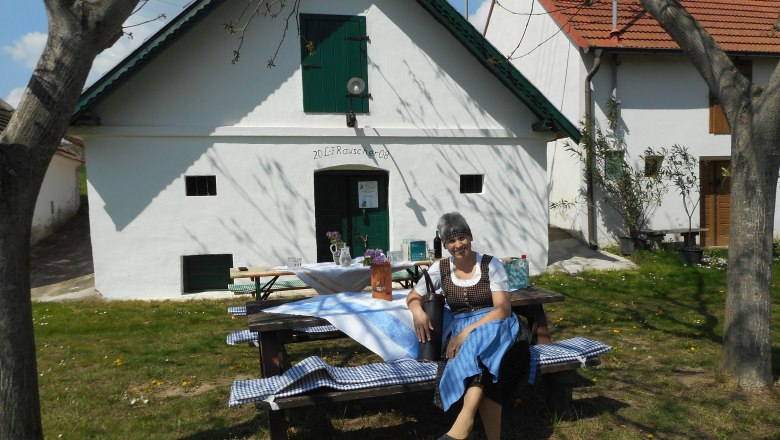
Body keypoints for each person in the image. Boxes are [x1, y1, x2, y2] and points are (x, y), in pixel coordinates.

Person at [406, 212, 521, 440]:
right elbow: (413, 295)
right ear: (445, 245)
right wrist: (417, 311)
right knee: (485, 365)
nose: (458, 245)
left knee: (479, 347)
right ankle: (478, 432)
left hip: (496, 325)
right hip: (463, 328)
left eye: (462, 237)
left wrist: (466, 333)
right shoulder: (441, 268)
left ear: (470, 237)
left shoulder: (491, 264)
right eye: (451, 241)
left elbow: (502, 309)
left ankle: (463, 425)